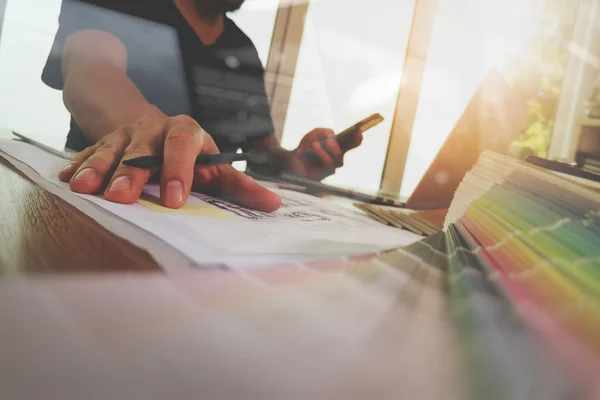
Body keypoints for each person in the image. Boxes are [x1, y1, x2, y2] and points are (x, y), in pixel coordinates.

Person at [42, 0, 363, 212]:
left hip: (206, 222)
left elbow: (263, 153)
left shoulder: (242, 49)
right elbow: (90, 71)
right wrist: (148, 129)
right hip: (97, 201)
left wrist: (296, 164)